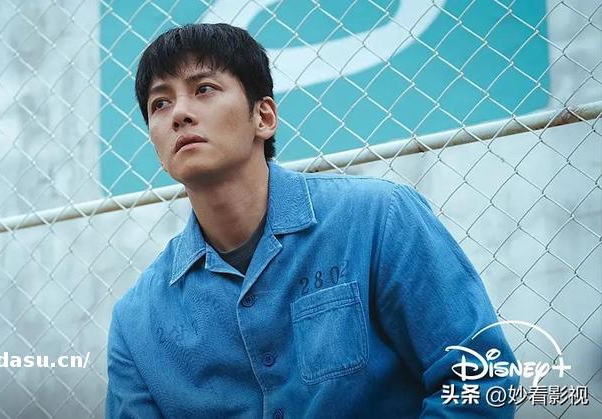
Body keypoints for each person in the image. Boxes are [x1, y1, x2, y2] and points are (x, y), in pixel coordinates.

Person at [106, 23, 518, 418]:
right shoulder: (136, 321)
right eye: (160, 103)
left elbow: (480, 377)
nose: (179, 113)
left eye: (204, 89)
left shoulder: (379, 218)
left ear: (263, 117)